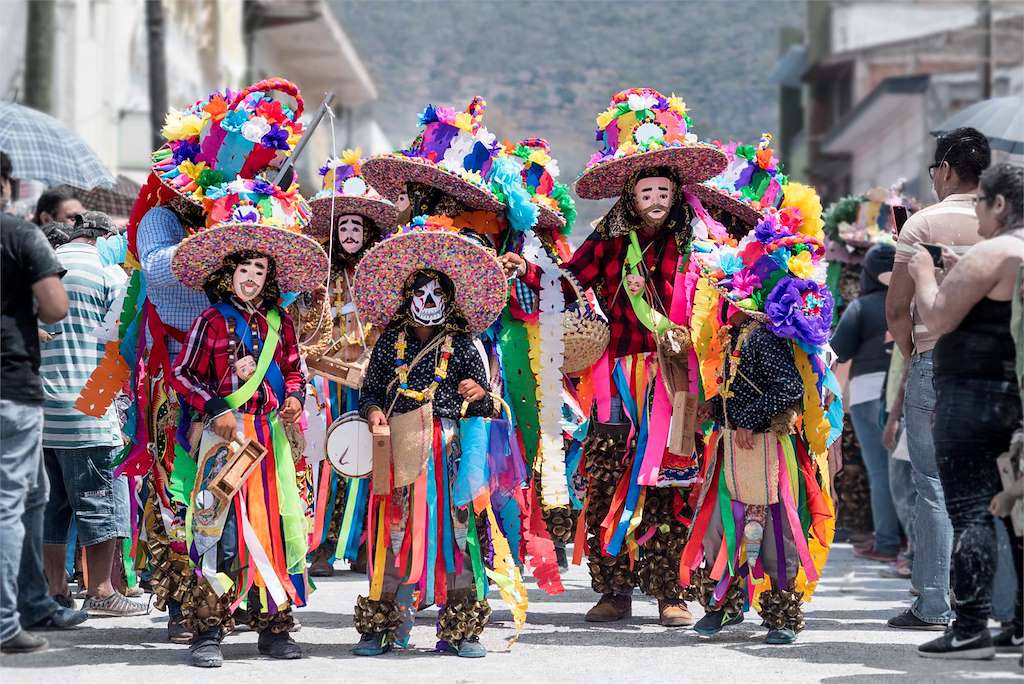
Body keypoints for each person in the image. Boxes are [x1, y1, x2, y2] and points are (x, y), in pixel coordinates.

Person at [507, 88, 729, 626]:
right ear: (631, 196)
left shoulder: (699, 241)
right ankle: (613, 590)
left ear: (677, 195)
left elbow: (722, 293)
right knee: (607, 475)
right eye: (646, 190)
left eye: (663, 190)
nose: (655, 198)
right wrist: (528, 271)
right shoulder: (609, 237)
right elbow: (568, 278)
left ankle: (669, 592)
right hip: (617, 376)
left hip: (675, 378)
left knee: (669, 478)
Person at [107, 80, 307, 645]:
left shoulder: (259, 228)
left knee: (269, 505)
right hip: (185, 388)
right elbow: (162, 270)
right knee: (190, 495)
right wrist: (221, 235)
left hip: (260, 402)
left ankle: (264, 605)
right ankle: (190, 607)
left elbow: (285, 313)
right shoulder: (163, 219)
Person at [350, 216, 526, 658]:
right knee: (393, 535)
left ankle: (460, 631)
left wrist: (479, 392)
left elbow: (487, 405)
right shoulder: (391, 341)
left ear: (450, 301)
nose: (428, 301)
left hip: (448, 452)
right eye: (421, 293)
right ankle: (381, 628)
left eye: (438, 295)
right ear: (408, 296)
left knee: (457, 535)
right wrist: (373, 414)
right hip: (399, 448)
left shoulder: (465, 344)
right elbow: (369, 390)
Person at [170, 178, 328, 667]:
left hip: (271, 439)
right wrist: (215, 407)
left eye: (261, 270)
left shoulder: (280, 321)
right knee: (218, 529)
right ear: (229, 272)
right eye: (245, 267)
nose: (252, 277)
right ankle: (208, 632)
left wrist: (296, 400)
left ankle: (276, 628)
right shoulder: (212, 322)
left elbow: (297, 370)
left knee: (279, 526)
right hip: (227, 439)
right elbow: (183, 373)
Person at [679, 184, 838, 645]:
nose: (713, 303)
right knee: (719, 528)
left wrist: (746, 419)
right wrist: (717, 411)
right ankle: (723, 606)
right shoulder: (739, 336)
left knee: (776, 532)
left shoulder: (763, 339)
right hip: (734, 443)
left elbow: (787, 390)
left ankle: (781, 616)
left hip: (766, 445)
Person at [908, 162, 1024, 659]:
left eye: (981, 201)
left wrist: (921, 273)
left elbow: (937, 316)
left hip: (973, 400)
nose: (975, 208)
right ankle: (1018, 624)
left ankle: (971, 624)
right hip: (1012, 395)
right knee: (1016, 513)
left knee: (971, 510)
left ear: (999, 204)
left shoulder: (996, 250)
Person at [884, 126, 991, 631]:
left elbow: (897, 309)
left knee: (932, 485)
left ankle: (933, 603)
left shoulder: (921, 225)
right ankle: (1000, 607)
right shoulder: (1006, 222)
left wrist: (914, 354)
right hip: (997, 368)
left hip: (936, 362)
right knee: (995, 484)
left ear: (946, 170)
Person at [38, 211, 143, 618]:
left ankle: (55, 589)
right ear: (103, 237)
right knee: (99, 503)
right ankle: (101, 590)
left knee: (52, 507)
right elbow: (125, 336)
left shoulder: (43, 262)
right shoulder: (108, 270)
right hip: (88, 409)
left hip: (42, 410)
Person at [300, 150, 396, 578]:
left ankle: (362, 543)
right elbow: (307, 323)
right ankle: (320, 544)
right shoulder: (318, 273)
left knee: (369, 458)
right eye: (344, 225)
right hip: (328, 378)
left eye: (358, 225)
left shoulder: (382, 273)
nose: (351, 232)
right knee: (326, 459)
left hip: (372, 379)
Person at [1, 209, 85, 655]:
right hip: (11, 390)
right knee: (10, 504)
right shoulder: (18, 233)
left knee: (36, 492)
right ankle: (4, 622)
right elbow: (56, 307)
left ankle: (34, 602)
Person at [832, 243, 900, 562]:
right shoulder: (911, 301)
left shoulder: (861, 307)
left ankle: (887, 542)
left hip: (869, 393)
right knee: (906, 471)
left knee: (880, 470)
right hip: (907, 390)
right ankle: (909, 544)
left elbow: (838, 352)